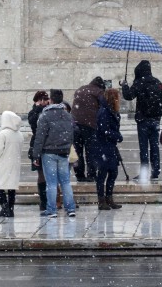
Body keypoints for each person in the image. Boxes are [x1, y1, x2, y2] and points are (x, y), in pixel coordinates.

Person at [32, 89, 76, 218]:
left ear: (51, 100)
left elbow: (40, 137)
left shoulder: (45, 115)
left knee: (51, 183)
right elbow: (71, 135)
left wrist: (36, 155)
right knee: (65, 182)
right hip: (64, 152)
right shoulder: (68, 115)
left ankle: (51, 209)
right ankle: (70, 208)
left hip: (49, 152)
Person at [121, 60, 162, 182]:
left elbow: (129, 96)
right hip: (155, 120)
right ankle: (155, 170)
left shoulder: (139, 82)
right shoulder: (158, 82)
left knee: (144, 148)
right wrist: (158, 116)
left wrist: (125, 86)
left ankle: (145, 173)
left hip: (143, 120)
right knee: (155, 147)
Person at [71, 76, 106, 182]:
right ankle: (91, 174)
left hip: (75, 124)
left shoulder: (80, 89)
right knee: (91, 151)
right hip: (89, 125)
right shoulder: (99, 92)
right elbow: (104, 107)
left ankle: (79, 175)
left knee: (78, 151)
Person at [94, 88, 123, 210]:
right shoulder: (104, 111)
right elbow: (104, 130)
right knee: (103, 174)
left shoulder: (110, 110)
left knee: (113, 172)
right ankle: (102, 200)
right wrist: (117, 136)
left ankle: (109, 198)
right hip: (103, 147)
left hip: (110, 146)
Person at [0, 111, 24, 218]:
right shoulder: (19, 134)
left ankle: (4, 207)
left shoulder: (3, 134)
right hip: (15, 163)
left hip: (3, 163)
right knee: (11, 187)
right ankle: (10, 209)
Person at [27, 90, 49, 211]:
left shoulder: (49, 111)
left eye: (46, 100)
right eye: (43, 100)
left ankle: (50, 200)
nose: (46, 102)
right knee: (41, 174)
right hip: (38, 145)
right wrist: (38, 109)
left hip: (48, 144)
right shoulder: (34, 112)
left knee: (49, 174)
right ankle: (43, 201)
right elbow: (33, 123)